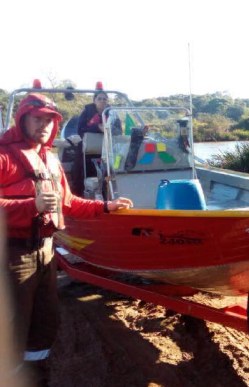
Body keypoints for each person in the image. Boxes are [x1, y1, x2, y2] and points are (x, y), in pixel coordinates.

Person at [0, 93, 133, 387]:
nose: (44, 125)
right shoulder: (3, 155)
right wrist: (30, 207)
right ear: (21, 118)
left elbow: (68, 202)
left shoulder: (50, 158)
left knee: (45, 322)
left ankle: (36, 377)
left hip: (46, 253)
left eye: (50, 120)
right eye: (38, 118)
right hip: (11, 255)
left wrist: (105, 207)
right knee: (10, 328)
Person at [71, 90, 121, 196]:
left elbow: (119, 131)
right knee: (78, 164)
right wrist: (97, 128)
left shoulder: (112, 113)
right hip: (88, 150)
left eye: (105, 99)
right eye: (99, 99)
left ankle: (112, 192)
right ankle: (77, 193)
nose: (102, 101)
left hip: (107, 150)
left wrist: (108, 129)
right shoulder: (87, 112)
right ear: (94, 101)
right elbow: (80, 129)